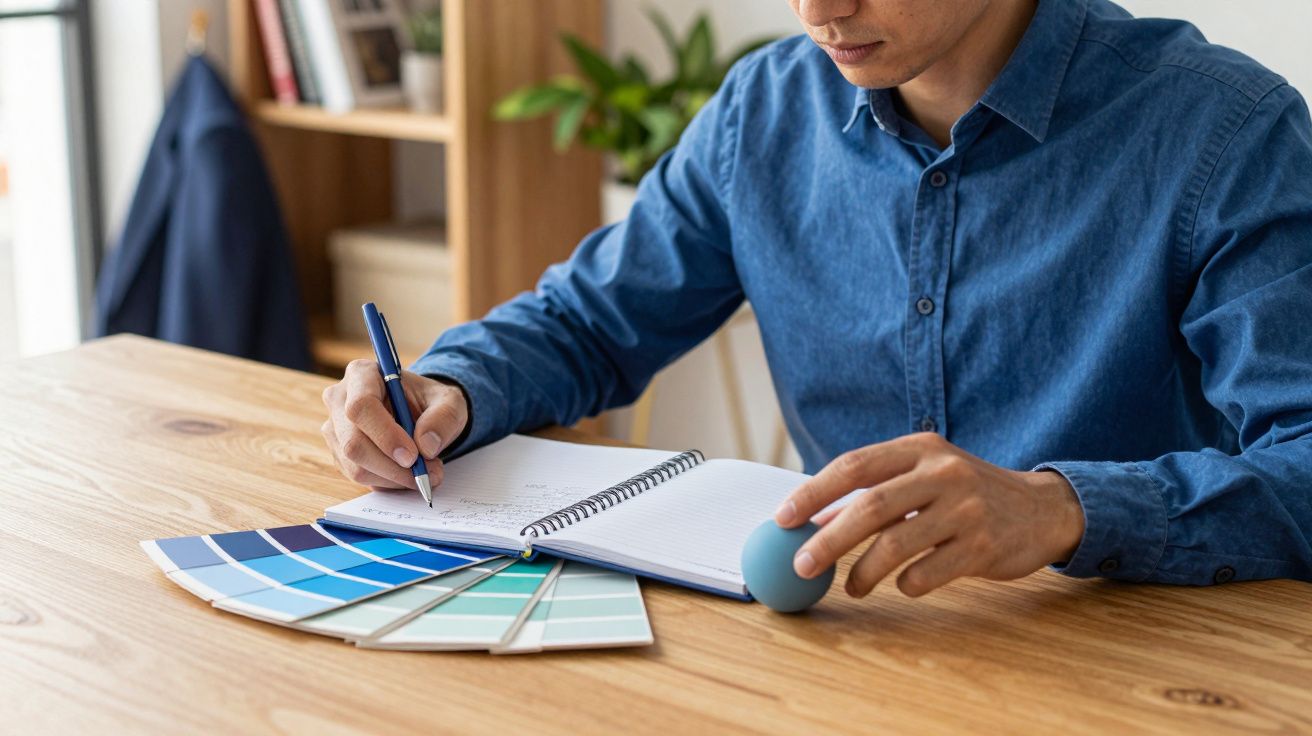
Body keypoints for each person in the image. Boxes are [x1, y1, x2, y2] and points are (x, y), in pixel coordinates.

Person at [320, 0, 1312, 598]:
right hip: (837, 655)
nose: (815, 7)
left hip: (1132, 672)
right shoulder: (763, 110)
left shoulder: (1225, 133)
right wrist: (452, 387)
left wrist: (1060, 509)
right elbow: (589, 322)